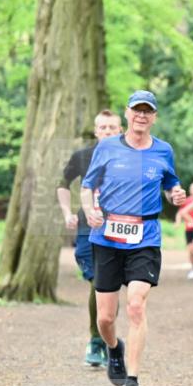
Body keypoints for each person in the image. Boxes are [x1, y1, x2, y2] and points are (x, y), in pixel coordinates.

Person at [81, 90, 186, 386]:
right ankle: (114, 348)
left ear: (154, 117)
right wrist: (89, 210)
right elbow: (87, 187)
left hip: (146, 236)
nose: (142, 116)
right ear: (127, 113)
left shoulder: (163, 151)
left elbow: (171, 184)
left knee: (137, 306)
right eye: (137, 110)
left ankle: (133, 381)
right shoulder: (107, 147)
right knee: (105, 319)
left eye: (148, 111)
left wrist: (176, 194)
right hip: (107, 238)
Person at [57, 110, 122, 367]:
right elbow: (63, 184)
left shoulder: (130, 157)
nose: (107, 131)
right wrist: (66, 214)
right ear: (96, 131)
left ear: (120, 130)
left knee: (110, 287)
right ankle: (97, 341)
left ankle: (106, 341)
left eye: (112, 127)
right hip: (88, 230)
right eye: (103, 127)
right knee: (99, 283)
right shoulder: (82, 156)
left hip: (119, 229)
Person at [176, 182, 193, 279]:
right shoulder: (187, 201)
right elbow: (180, 213)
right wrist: (178, 222)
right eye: (192, 189)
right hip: (189, 229)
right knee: (191, 250)